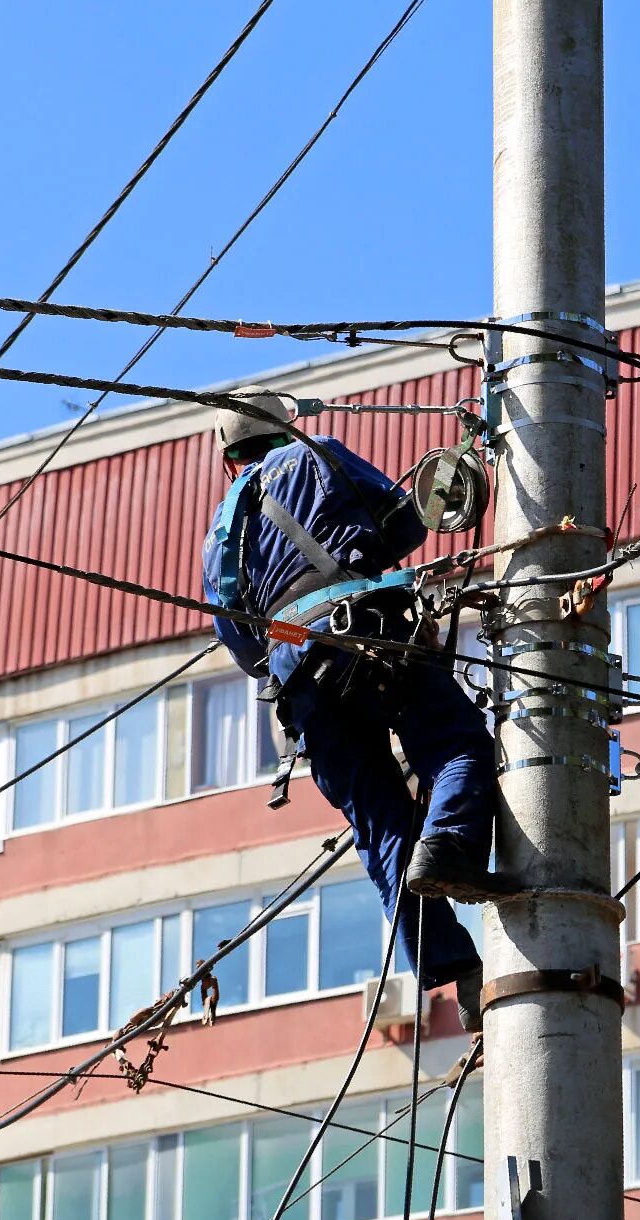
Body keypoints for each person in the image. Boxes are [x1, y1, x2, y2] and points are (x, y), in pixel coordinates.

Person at [200, 387, 508, 1031]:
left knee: (381, 823)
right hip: (368, 633)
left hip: (300, 682)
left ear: (229, 460)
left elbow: (242, 645)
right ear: (286, 431)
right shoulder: (316, 458)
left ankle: (453, 965)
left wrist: (295, 638)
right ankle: (449, 845)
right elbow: (402, 521)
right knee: (456, 747)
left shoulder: (219, 537)